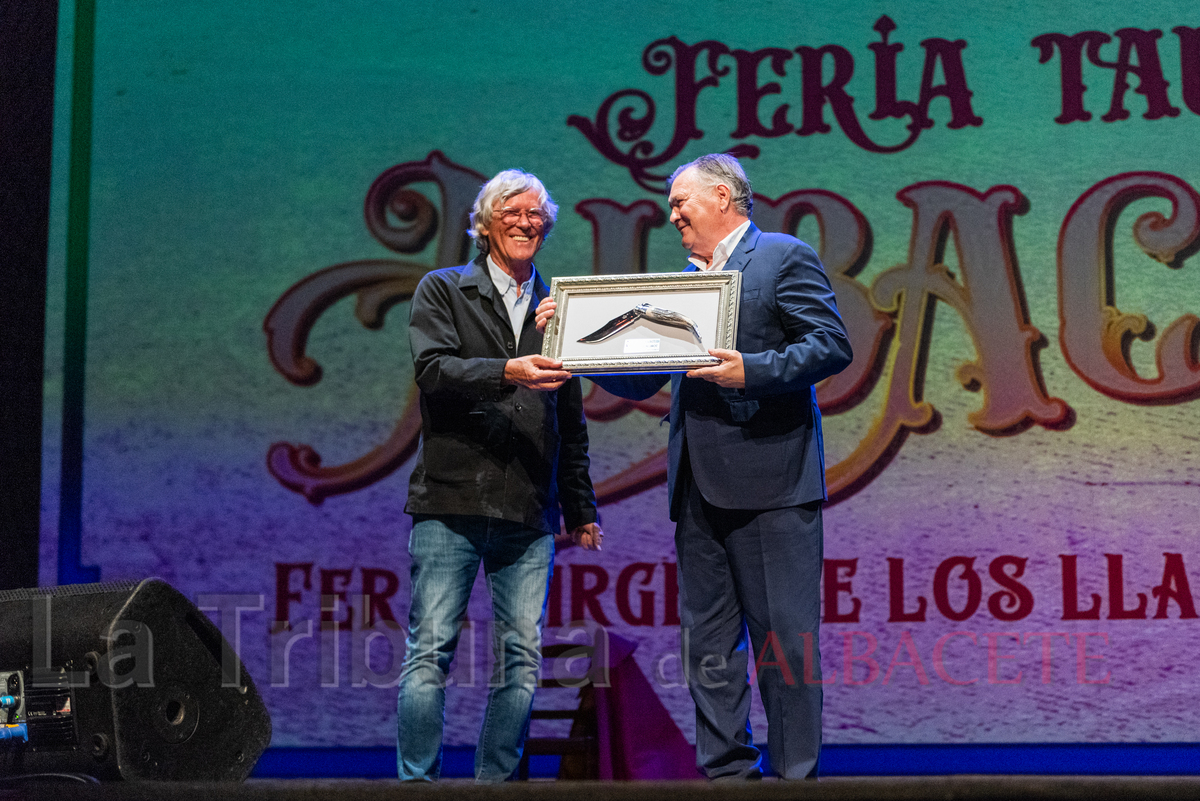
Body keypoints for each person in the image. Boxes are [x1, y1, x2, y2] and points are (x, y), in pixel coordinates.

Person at [537, 154, 851, 779]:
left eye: (681, 200)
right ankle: (728, 776)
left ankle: (796, 780)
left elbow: (830, 344)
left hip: (771, 482)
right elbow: (648, 372)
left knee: (784, 643)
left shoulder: (780, 256)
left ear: (722, 197)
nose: (672, 212)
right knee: (707, 645)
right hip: (697, 486)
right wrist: (571, 342)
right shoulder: (684, 281)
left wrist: (752, 371)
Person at [399, 168, 603, 783]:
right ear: (484, 225)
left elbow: (570, 414)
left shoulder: (557, 305)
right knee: (430, 652)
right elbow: (433, 371)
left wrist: (581, 507)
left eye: (537, 214)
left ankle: (495, 786)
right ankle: (415, 786)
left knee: (522, 659)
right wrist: (509, 369)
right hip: (452, 500)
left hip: (527, 508)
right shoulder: (444, 289)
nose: (527, 221)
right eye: (513, 212)